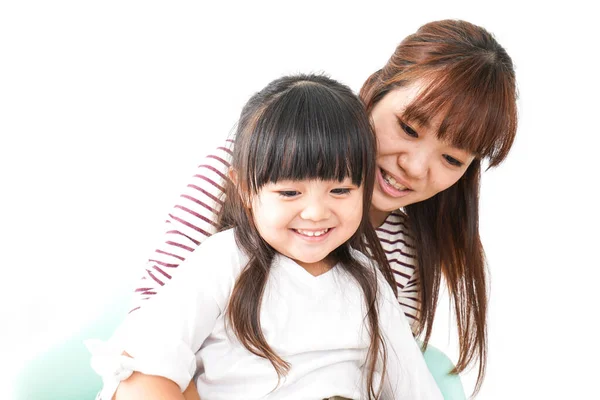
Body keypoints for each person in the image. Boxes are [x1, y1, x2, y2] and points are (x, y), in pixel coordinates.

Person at [127, 19, 517, 395]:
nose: (414, 167)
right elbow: (144, 347)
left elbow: (385, 377)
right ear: (376, 91)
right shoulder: (254, 173)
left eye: (451, 159)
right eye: (409, 128)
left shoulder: (400, 258)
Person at [89, 74, 444, 400]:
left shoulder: (370, 282)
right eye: (290, 193)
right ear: (244, 188)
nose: (317, 212)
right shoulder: (223, 260)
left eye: (340, 190)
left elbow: (415, 387)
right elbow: (147, 363)